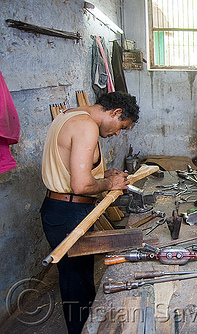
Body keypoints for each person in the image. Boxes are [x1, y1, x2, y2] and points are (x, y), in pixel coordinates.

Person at [40, 91, 140, 333]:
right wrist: (111, 184)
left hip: (60, 208)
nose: (117, 133)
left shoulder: (69, 115)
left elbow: (69, 169)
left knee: (79, 281)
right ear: (115, 113)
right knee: (77, 286)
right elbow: (81, 186)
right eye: (121, 126)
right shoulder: (86, 127)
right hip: (69, 211)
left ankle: (86, 327)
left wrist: (103, 175)